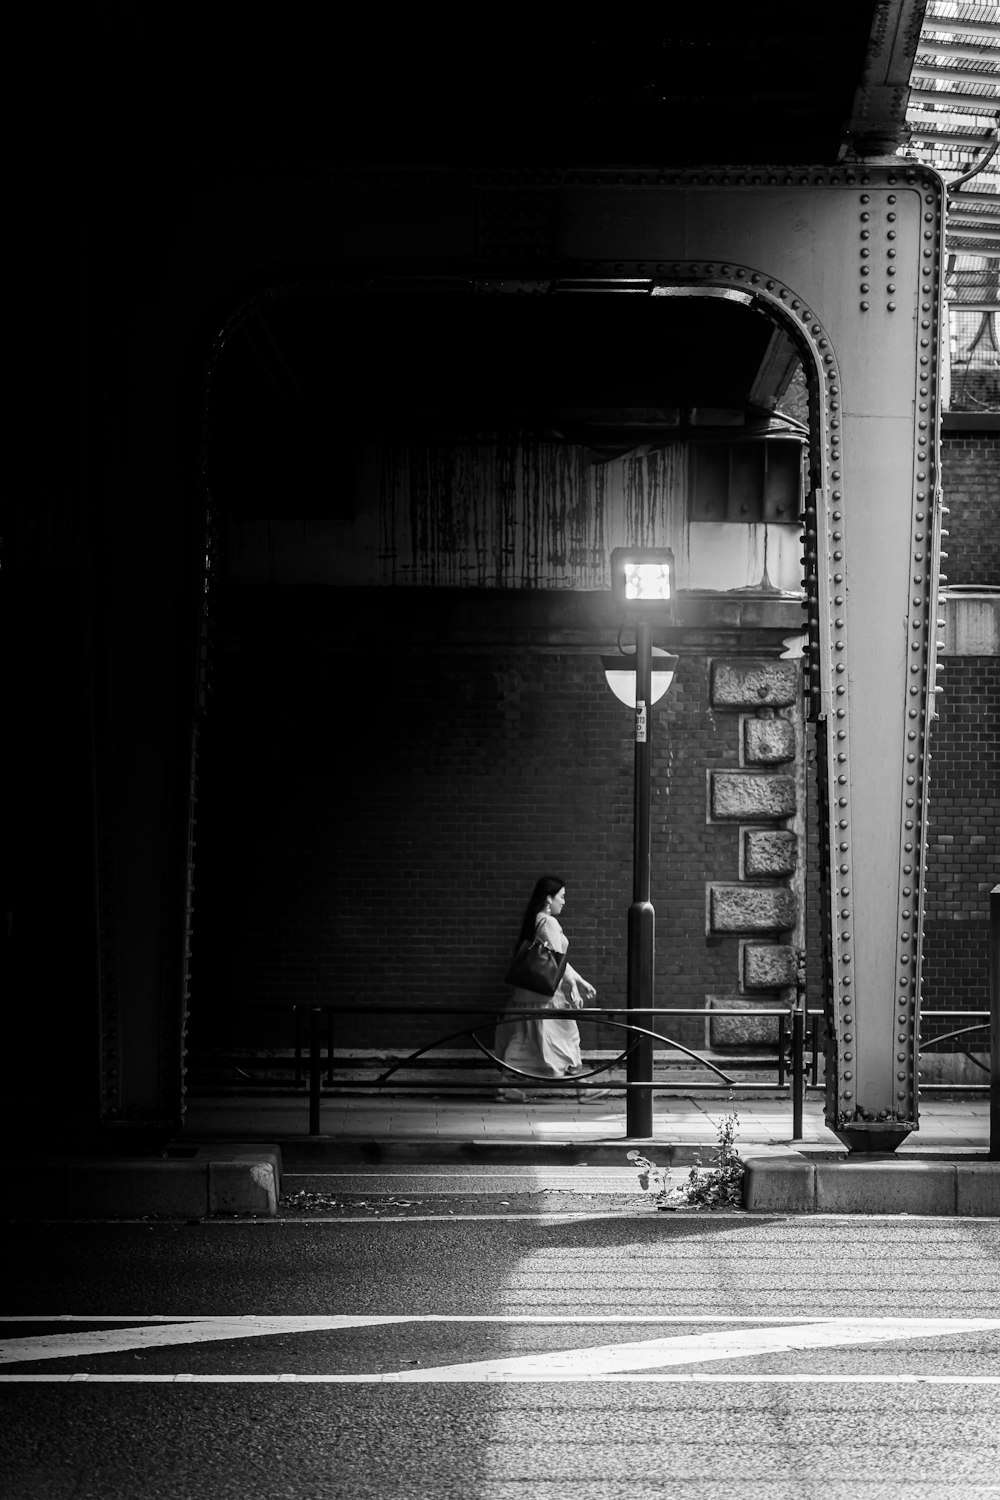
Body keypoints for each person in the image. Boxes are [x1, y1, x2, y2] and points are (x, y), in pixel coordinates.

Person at [495, 876, 611, 1103]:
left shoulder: (534, 921)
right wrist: (574, 986)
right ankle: (582, 1089)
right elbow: (558, 959)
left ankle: (505, 1087)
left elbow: (555, 959)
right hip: (547, 996)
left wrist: (578, 981)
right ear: (549, 898)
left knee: (523, 1038)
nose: (564, 902)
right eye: (562, 897)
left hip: (529, 993)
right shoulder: (549, 922)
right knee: (568, 1035)